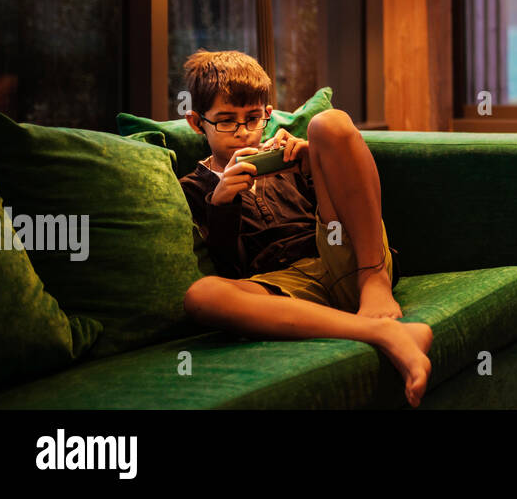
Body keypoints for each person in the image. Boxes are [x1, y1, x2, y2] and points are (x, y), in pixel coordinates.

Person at [176, 49, 433, 407]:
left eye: (253, 118)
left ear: (268, 114)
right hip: (285, 289)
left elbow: (347, 205)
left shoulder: (285, 152)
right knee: (201, 296)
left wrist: (313, 162)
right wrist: (221, 204)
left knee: (329, 124)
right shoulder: (194, 187)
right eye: (226, 121)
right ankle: (382, 332)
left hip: (344, 258)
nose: (243, 133)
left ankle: (375, 279)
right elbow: (231, 268)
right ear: (196, 122)